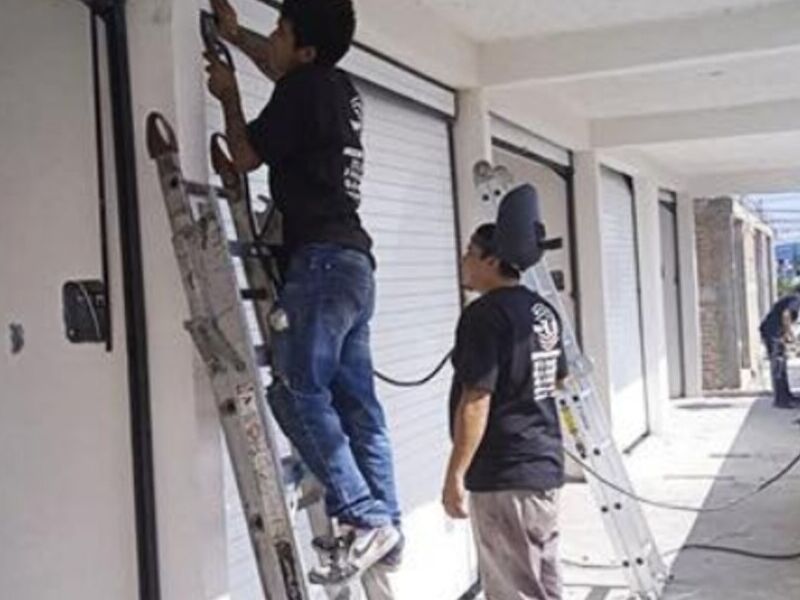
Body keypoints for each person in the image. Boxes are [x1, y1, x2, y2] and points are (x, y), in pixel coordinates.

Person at [205, 0, 402, 581]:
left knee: (294, 395)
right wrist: (237, 37)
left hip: (317, 265)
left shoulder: (302, 89)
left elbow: (243, 155)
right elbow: (280, 68)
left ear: (306, 48)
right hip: (354, 267)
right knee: (360, 408)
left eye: (282, 30)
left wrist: (228, 96)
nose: (274, 36)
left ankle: (367, 521)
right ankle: (387, 529)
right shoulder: (335, 88)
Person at [442, 223, 567, 600]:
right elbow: (557, 379)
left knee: (513, 590)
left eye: (469, 251)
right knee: (542, 583)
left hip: (504, 475)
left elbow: (477, 400)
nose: (463, 259)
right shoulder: (542, 310)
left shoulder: (484, 315)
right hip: (541, 467)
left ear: (491, 260)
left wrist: (455, 475)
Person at [759, 285, 800, 408]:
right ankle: (781, 400)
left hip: (774, 331)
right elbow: (786, 315)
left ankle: (786, 395)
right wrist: (788, 333)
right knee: (778, 366)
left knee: (781, 363)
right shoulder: (796, 299)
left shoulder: (792, 298)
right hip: (772, 333)